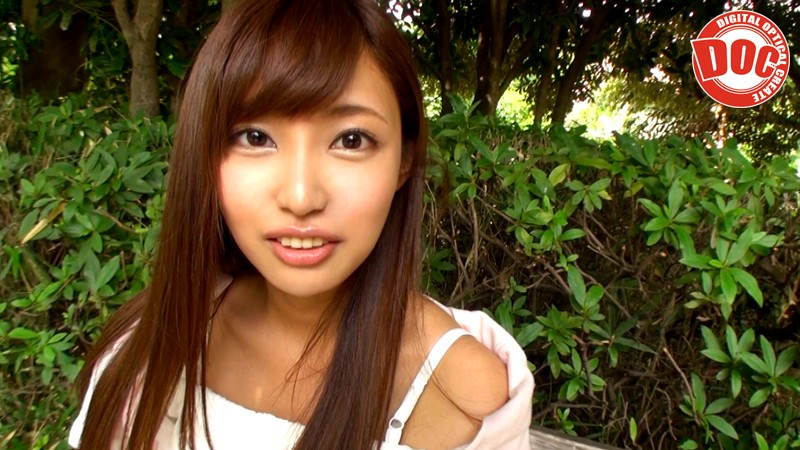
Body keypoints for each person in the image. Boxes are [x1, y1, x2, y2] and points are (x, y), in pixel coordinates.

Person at [68, 0, 534, 449]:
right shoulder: (155, 336)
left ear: (404, 162)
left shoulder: (460, 396)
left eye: (351, 140)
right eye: (255, 137)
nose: (300, 197)